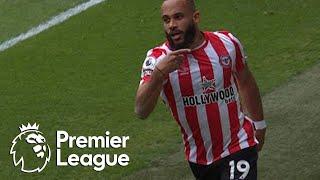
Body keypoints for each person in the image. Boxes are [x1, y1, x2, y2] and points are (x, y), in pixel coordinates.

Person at [134, 0, 266, 179]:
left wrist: (259, 124)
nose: (172, 25)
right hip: (199, 159)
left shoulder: (226, 43)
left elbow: (245, 81)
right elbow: (141, 110)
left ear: (196, 17)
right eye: (166, 20)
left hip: (239, 145)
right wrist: (158, 74)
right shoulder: (157, 59)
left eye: (178, 17)